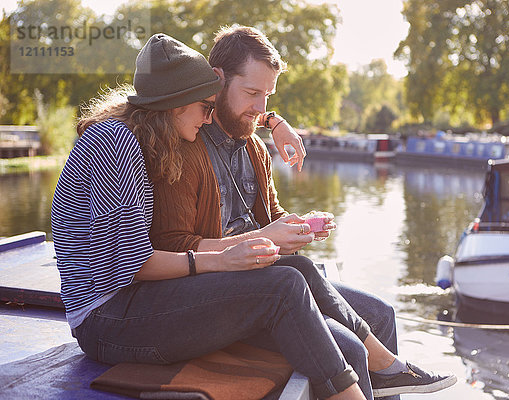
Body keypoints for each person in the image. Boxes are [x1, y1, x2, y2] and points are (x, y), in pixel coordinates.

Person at [50, 33, 380, 399]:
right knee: (284, 287)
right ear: (176, 105)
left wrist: (273, 120)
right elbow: (134, 266)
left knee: (295, 273)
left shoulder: (139, 136)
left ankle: (376, 372)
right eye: (206, 107)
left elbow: (235, 108)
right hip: (107, 320)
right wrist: (221, 260)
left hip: (135, 302)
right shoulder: (117, 143)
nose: (209, 118)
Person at [149, 26, 456, 398]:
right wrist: (269, 238)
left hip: (269, 275)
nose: (261, 107)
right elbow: (174, 244)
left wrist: (297, 229)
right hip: (223, 291)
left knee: (381, 313)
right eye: (252, 93)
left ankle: (391, 375)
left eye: (268, 95)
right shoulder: (186, 145)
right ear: (217, 80)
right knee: (351, 346)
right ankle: (386, 369)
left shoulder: (256, 150)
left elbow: (272, 220)